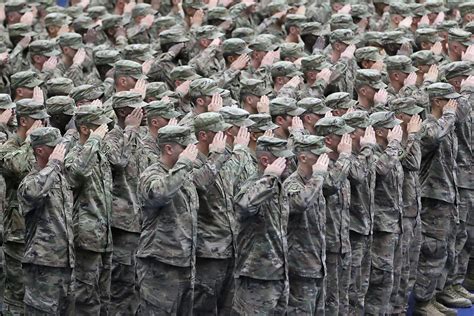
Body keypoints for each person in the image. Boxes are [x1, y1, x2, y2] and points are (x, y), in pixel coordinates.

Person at [233, 136, 294, 314]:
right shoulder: (253, 184)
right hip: (256, 275)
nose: (288, 162)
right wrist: (268, 177)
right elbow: (243, 205)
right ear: (266, 160)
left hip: (278, 273)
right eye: (282, 159)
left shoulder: (278, 184)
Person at [18, 127, 75, 315]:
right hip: (42, 266)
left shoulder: (60, 178)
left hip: (65, 264)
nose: (61, 151)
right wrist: (54, 164)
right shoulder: (30, 181)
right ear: (40, 150)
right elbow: (34, 192)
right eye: (55, 147)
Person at [64, 105, 112, 315]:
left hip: (104, 237)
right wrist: (94, 141)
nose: (105, 129)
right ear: (85, 129)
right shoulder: (74, 154)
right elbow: (76, 174)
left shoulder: (100, 154)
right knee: (85, 299)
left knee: (104, 298)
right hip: (86, 237)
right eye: (99, 126)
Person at [284, 135, 330, 315]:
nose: (323, 161)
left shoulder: (314, 183)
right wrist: (318, 176)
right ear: (303, 158)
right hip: (300, 266)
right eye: (318, 156)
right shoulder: (292, 183)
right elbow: (300, 203)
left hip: (316, 264)